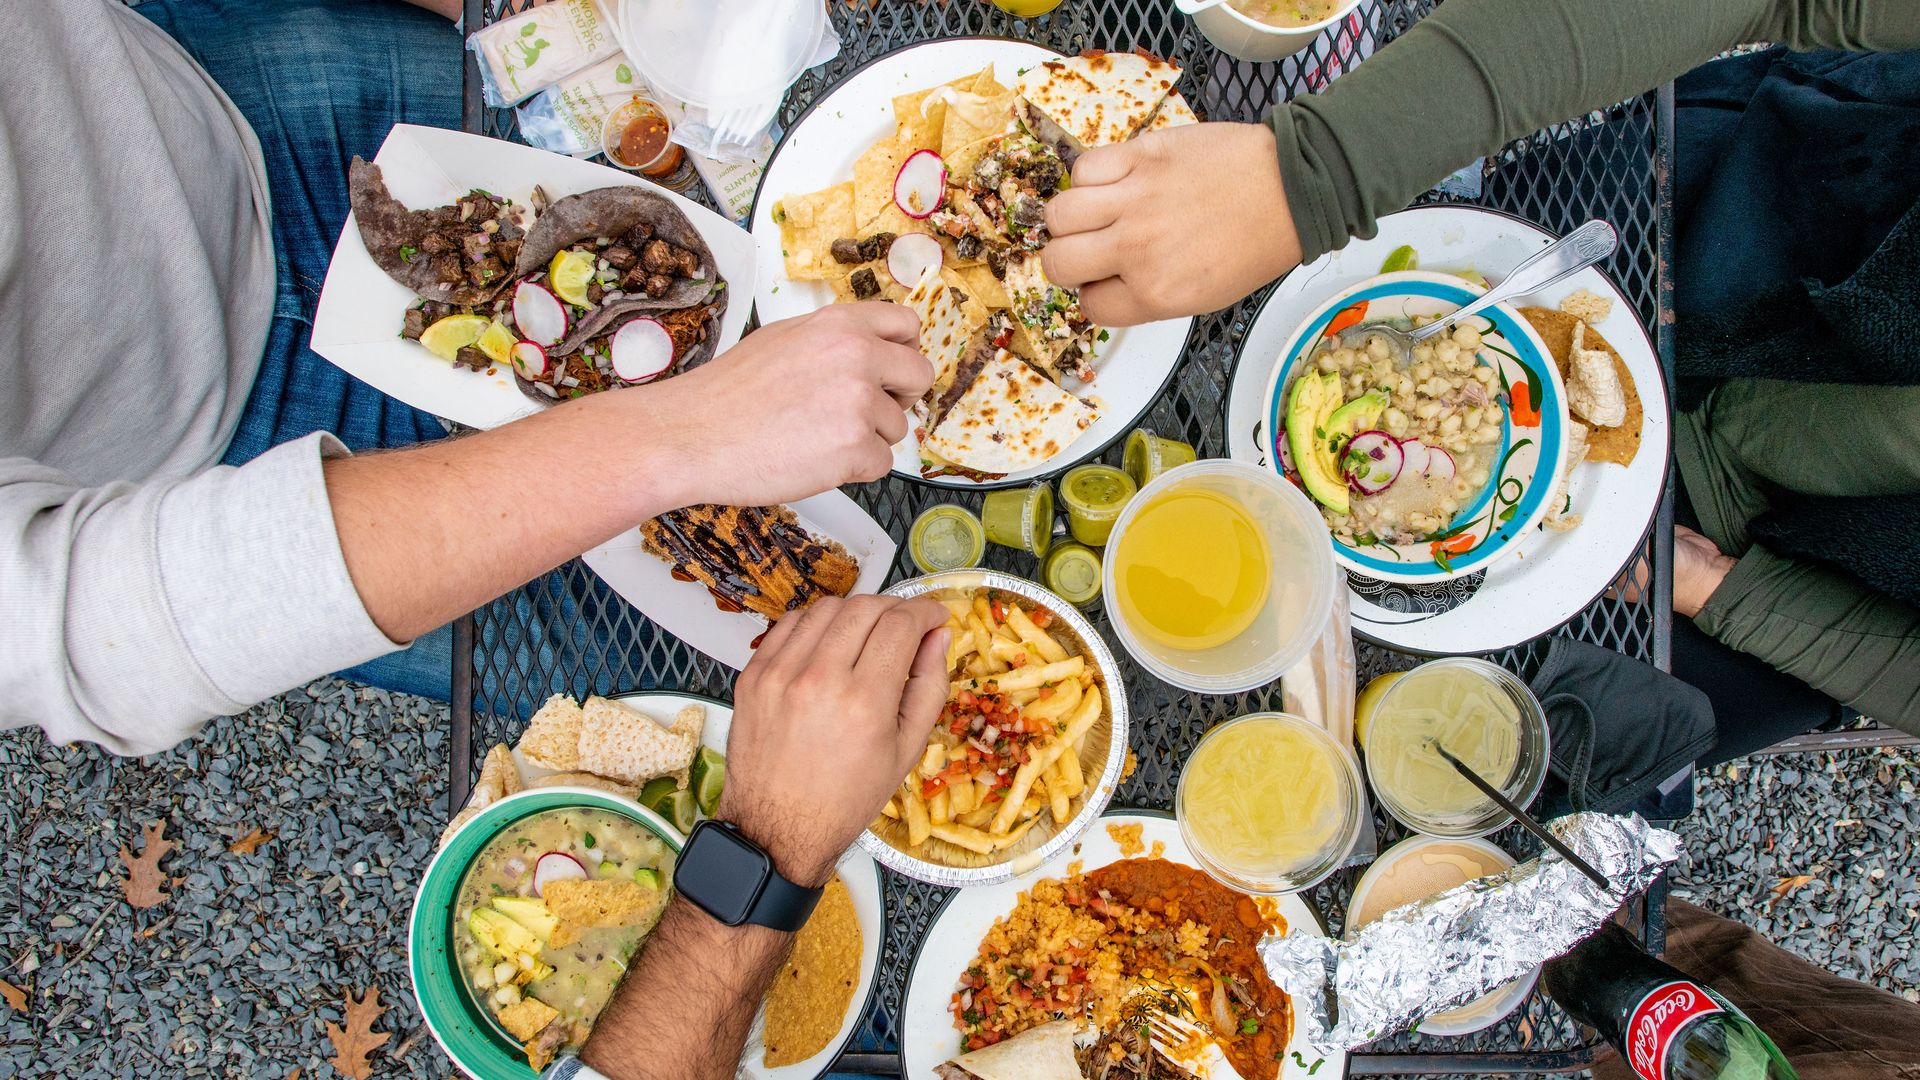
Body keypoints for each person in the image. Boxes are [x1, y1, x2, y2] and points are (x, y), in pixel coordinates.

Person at [0, 0, 931, 756]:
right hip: (209, 479)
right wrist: (682, 433)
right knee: (682, 681)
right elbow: (80, 634)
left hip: (209, 85)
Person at [1040, 0, 1920, 742]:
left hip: (1792, 571)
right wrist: (1312, 173)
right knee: (1515, 198)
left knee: (1562, 741)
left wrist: (1724, 593)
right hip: (1790, 198)